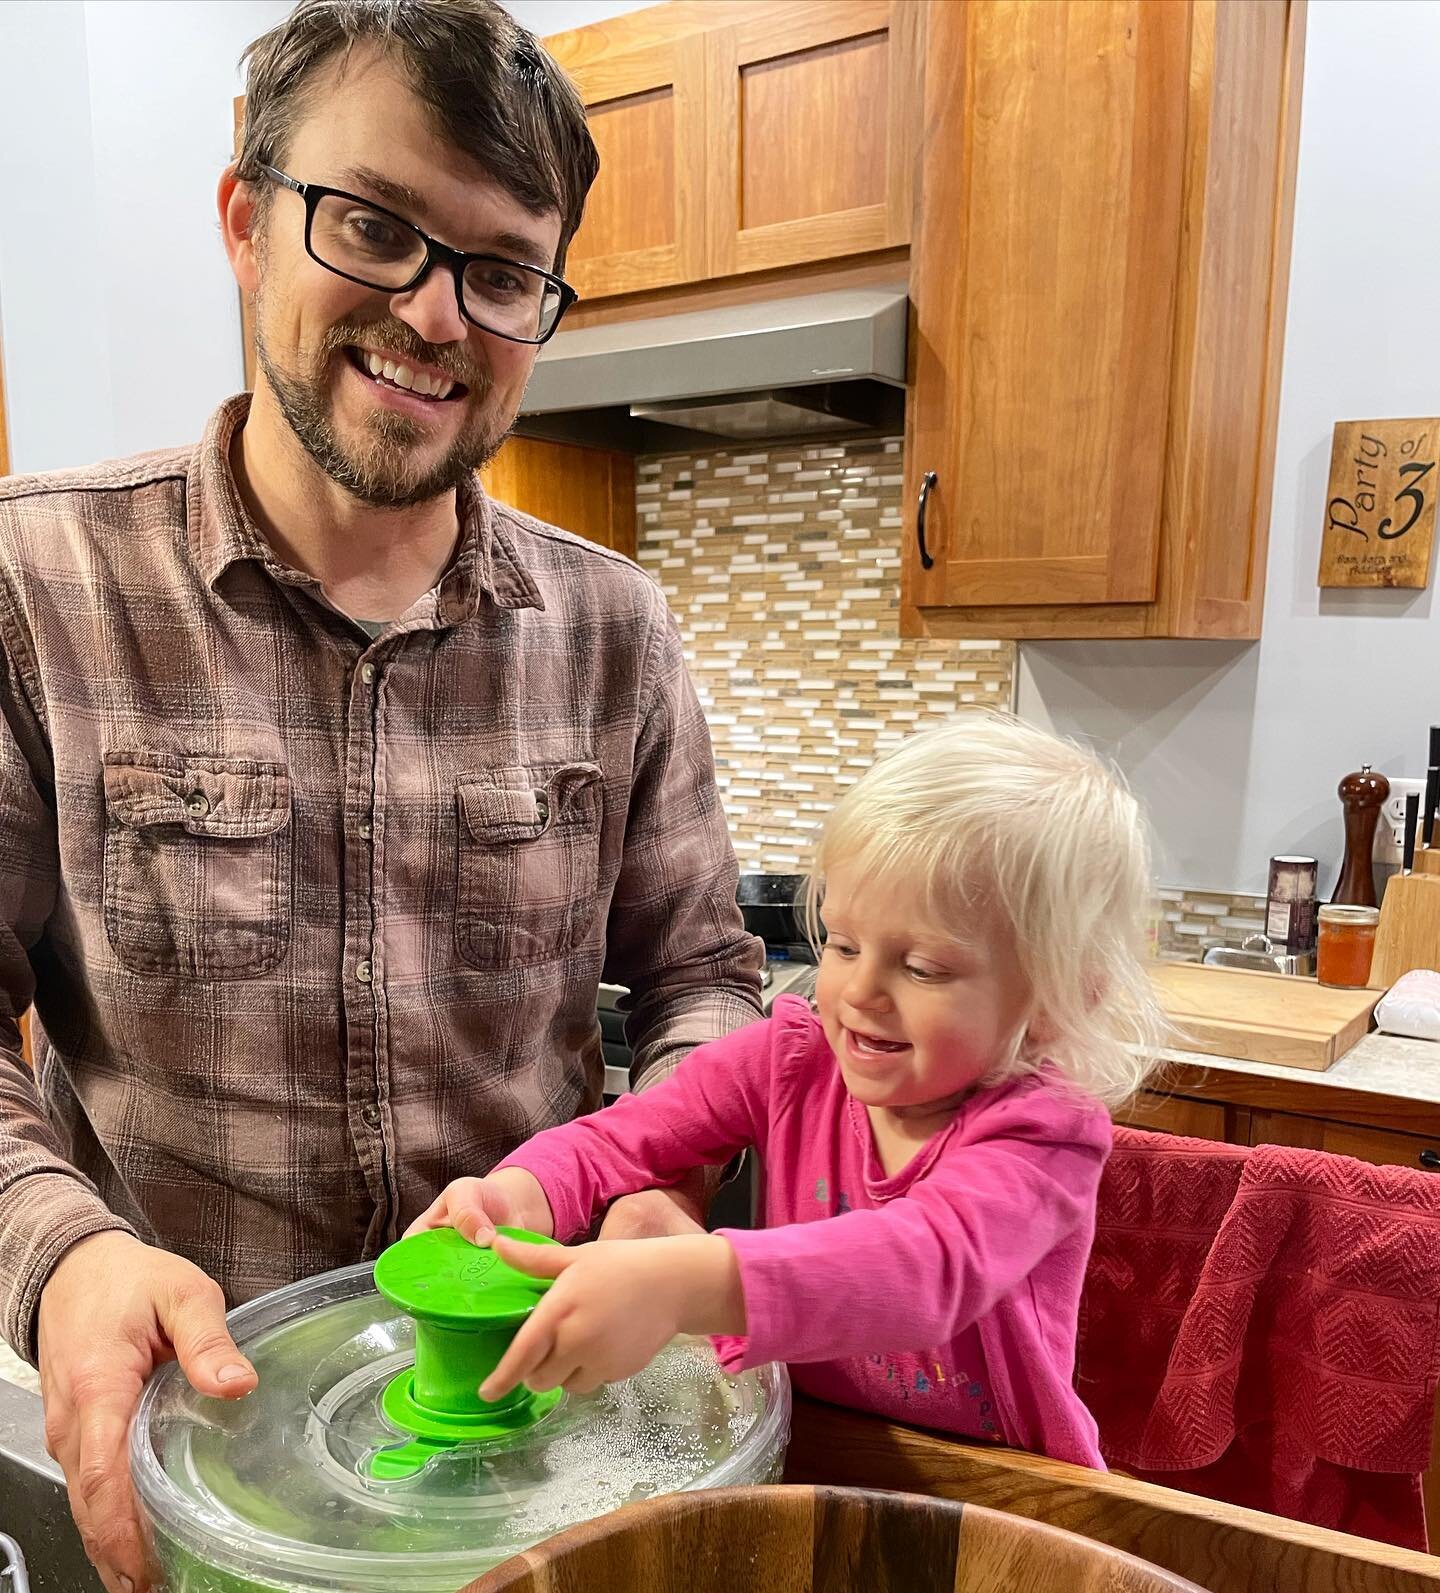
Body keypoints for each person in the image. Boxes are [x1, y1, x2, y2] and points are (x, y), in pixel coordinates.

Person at [0, 2, 761, 1587]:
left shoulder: (615, 629)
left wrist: (661, 1192)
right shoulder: (34, 582)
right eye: (375, 228)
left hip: (540, 1468)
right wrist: (65, 1260)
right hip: (197, 1474)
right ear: (244, 220)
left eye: (500, 270)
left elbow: (702, 981)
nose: (436, 315)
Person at [413, 713, 1167, 1464]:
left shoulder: (1044, 1130)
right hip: (804, 1439)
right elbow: (628, 1135)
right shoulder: (793, 1058)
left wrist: (685, 1284)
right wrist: (517, 1193)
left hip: (999, 1485)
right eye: (842, 943)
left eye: (924, 967)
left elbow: (925, 1267)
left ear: (1057, 1000)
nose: (859, 990)